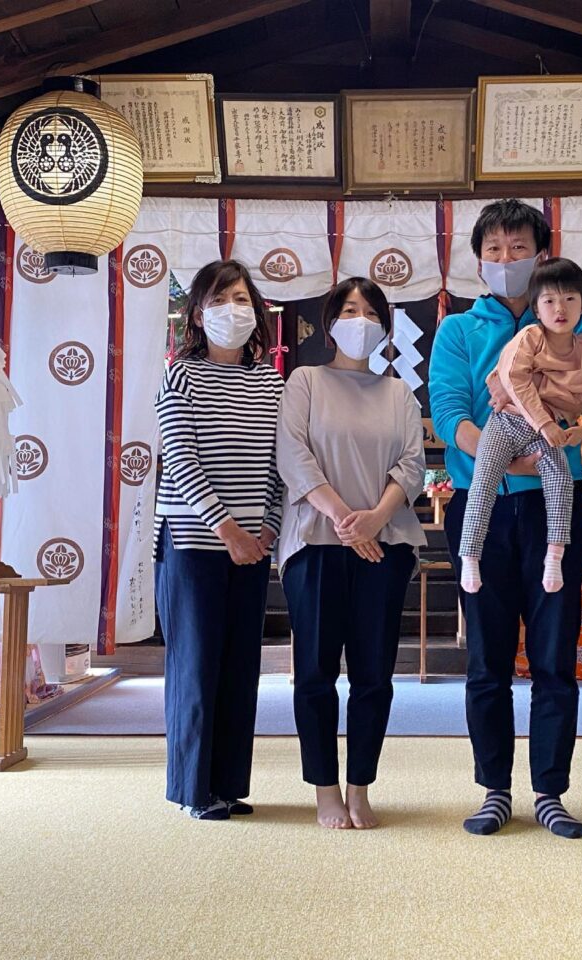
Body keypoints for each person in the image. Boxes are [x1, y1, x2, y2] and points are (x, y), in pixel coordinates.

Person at [429, 200, 582, 840]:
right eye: (495, 250)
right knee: (489, 658)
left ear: (541, 254)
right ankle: (495, 789)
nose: (507, 260)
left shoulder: (580, 329)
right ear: (479, 259)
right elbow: (451, 414)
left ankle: (552, 791)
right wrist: (518, 452)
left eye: (519, 248)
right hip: (485, 503)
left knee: (555, 655)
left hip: (555, 509)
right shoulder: (457, 330)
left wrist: (551, 449)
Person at [277, 276, 426, 830]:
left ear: (384, 326)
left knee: (373, 675)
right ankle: (324, 789)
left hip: (383, 550)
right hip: (316, 545)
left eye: (369, 311)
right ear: (330, 321)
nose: (358, 320)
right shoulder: (305, 381)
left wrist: (375, 520)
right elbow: (293, 455)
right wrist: (346, 520)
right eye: (348, 309)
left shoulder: (398, 393)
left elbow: (412, 466)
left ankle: (360, 785)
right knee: (314, 673)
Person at [154, 259, 283, 821]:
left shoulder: (270, 380)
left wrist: (268, 528)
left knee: (239, 667)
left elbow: (280, 466)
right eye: (220, 299)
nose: (233, 309)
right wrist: (226, 529)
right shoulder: (179, 375)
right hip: (192, 541)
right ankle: (192, 789)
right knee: (196, 665)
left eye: (241, 298)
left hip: (252, 546)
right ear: (198, 315)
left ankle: (228, 783)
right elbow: (180, 459)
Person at [459, 257, 582, 595]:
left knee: (561, 480)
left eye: (570, 299)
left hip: (551, 433)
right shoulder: (529, 337)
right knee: (485, 477)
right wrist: (545, 421)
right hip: (507, 422)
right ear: (536, 307)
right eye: (549, 300)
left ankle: (554, 554)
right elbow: (514, 380)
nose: (559, 308)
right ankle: (470, 556)